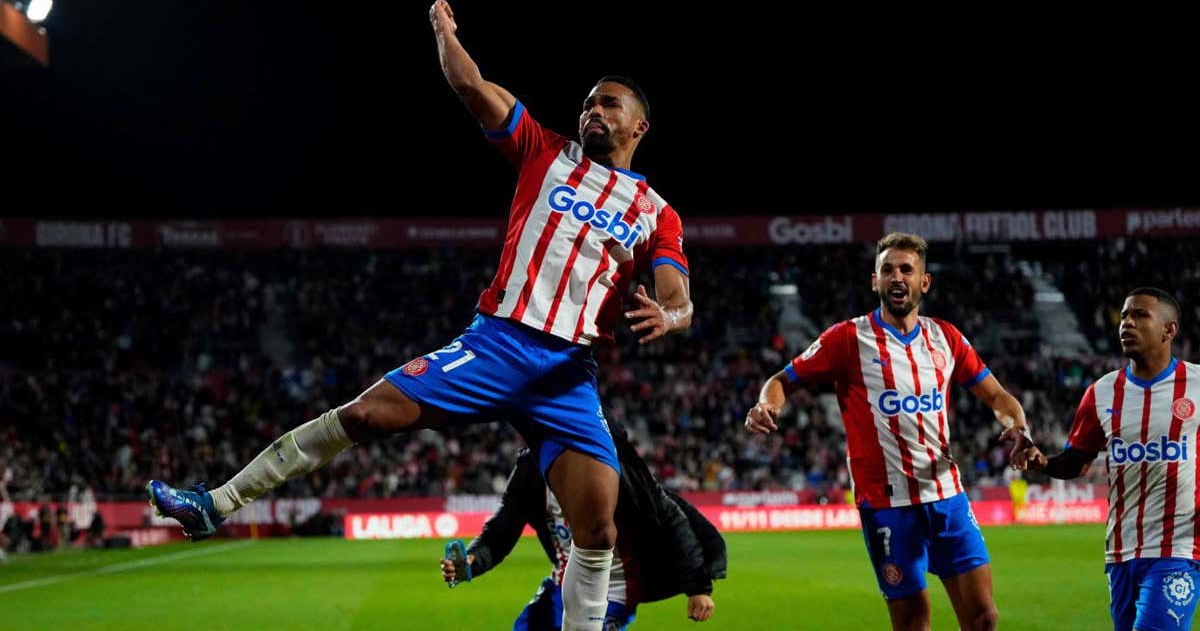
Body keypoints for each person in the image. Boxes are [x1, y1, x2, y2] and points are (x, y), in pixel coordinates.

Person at [148, 0, 692, 631]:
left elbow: (677, 293)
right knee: (364, 413)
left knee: (597, 528)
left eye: (609, 104)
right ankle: (216, 503)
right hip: (497, 344)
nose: (593, 110)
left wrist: (669, 316)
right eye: (589, 102)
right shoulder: (546, 151)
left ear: (639, 127)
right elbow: (468, 83)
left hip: (567, 372)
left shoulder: (656, 211)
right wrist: (443, 32)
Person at [744, 232, 1035, 631]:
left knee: (984, 616)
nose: (897, 277)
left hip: (948, 496)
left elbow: (999, 397)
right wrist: (767, 405)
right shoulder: (847, 338)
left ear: (924, 281)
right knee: (914, 622)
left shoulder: (946, 337)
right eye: (887, 270)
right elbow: (783, 378)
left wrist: (1018, 426)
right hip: (887, 506)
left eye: (906, 269)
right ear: (874, 281)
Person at [1019, 287, 1200, 631]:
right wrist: (1042, 462)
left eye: (1140, 315)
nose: (1126, 323)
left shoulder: (1197, 385)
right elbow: (1077, 462)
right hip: (1121, 552)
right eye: (1124, 315)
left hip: (1178, 549)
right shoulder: (1102, 392)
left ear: (1169, 329)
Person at [439, 416, 723, 629]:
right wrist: (471, 562)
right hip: (559, 587)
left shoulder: (613, 469)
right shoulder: (530, 470)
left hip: (613, 590)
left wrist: (698, 587)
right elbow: (501, 531)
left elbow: (671, 518)